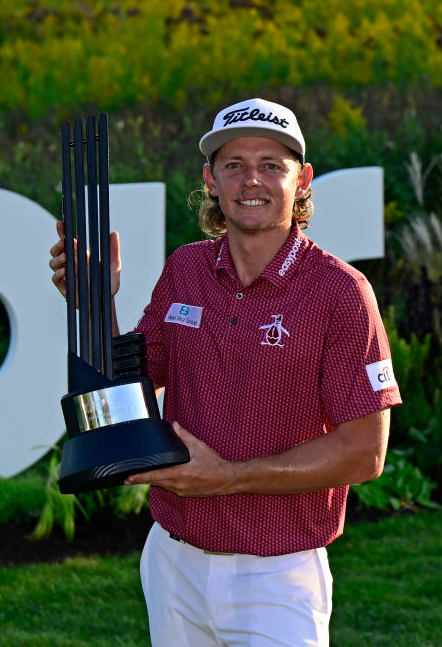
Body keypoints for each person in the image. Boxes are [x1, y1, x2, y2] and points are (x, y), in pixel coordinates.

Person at [48, 97, 401, 646]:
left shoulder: (341, 293)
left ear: (302, 180)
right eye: (233, 165)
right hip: (173, 563)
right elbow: (137, 386)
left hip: (279, 578)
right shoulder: (185, 269)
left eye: (270, 165)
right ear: (210, 180)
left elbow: (365, 452)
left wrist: (231, 475)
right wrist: (95, 302)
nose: (250, 180)